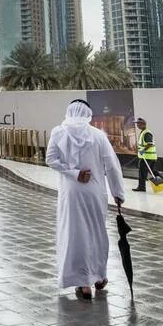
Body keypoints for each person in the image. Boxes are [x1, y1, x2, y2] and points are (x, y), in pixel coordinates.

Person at [46, 99, 126, 300]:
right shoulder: (98, 135)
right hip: (94, 192)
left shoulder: (58, 132)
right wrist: (118, 193)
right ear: (88, 114)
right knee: (96, 233)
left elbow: (50, 159)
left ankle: (83, 284)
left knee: (74, 235)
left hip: (71, 193)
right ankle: (99, 277)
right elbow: (112, 166)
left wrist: (74, 173)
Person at [132, 117, 163, 193]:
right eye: (137, 124)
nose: (137, 125)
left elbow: (150, 144)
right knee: (153, 172)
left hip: (147, 157)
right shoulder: (143, 132)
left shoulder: (146, 133)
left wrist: (143, 150)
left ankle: (141, 187)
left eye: (139, 124)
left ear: (144, 124)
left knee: (142, 172)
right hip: (149, 157)